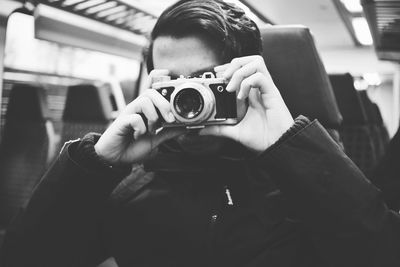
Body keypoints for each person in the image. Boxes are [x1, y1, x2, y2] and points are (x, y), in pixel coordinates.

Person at [2, 0, 400, 266]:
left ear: (245, 77)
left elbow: (382, 251)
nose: (188, 100)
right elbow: (25, 257)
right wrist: (95, 162)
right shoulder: (126, 187)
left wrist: (287, 145)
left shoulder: (306, 182)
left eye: (205, 82)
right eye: (173, 84)